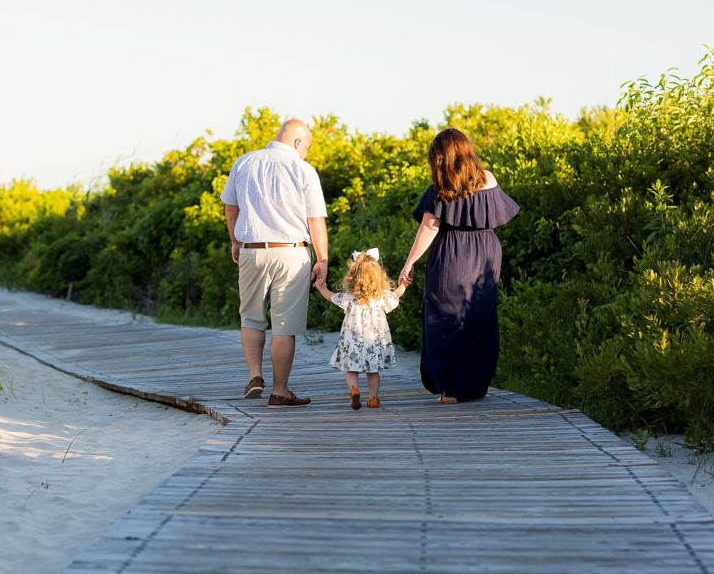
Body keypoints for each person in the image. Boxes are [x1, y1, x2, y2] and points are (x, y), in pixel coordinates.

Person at [398, 128, 519, 403]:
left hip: (453, 253)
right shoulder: (488, 179)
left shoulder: (443, 186)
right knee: (479, 315)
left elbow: (429, 227)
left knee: (445, 315)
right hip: (487, 252)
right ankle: (475, 385)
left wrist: (409, 263)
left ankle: (451, 388)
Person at [221, 119, 329, 407]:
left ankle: (255, 375)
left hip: (252, 250)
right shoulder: (302, 169)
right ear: (297, 142)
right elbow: (315, 219)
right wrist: (323, 258)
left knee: (251, 317)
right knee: (284, 326)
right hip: (291, 252)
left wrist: (235, 241)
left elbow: (231, 208)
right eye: (306, 146)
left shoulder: (244, 162)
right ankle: (280, 390)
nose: (306, 152)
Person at [314, 249, 408, 410]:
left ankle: (353, 390)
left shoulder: (350, 296)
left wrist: (320, 287)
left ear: (353, 276)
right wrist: (404, 284)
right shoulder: (382, 296)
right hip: (374, 341)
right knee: (373, 372)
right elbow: (396, 295)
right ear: (379, 276)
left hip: (353, 341)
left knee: (351, 369)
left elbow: (331, 297)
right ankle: (373, 399)